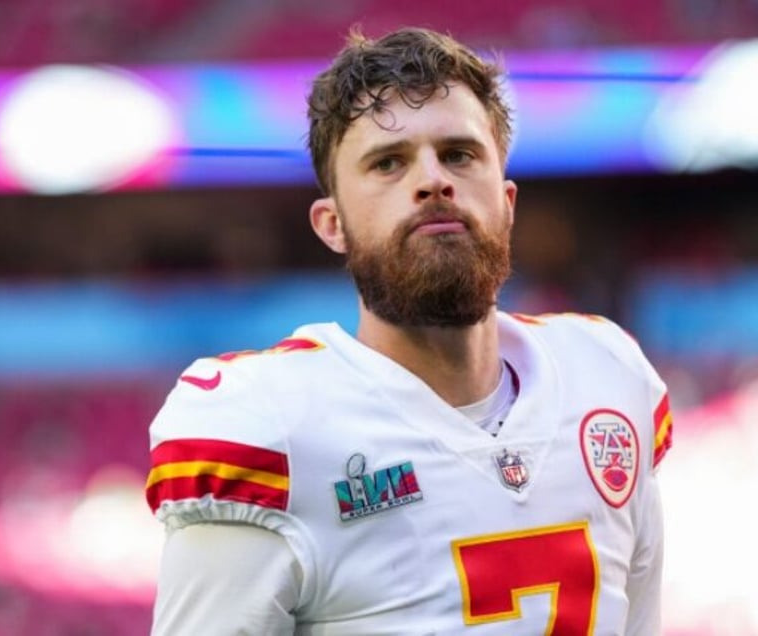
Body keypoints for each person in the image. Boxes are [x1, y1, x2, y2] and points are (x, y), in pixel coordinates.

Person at [145, 27, 673, 635]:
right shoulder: (274, 426)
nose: (433, 180)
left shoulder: (606, 377)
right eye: (388, 162)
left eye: (459, 154)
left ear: (507, 202)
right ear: (332, 225)